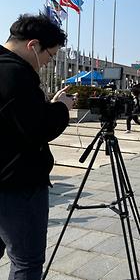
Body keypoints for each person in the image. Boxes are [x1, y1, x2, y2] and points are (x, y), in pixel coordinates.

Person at [0, 14, 74, 279]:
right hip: (16, 185)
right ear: (33, 45)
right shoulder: (16, 73)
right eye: (50, 56)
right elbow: (37, 129)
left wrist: (45, 107)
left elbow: (14, 119)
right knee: (26, 261)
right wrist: (61, 109)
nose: (47, 64)